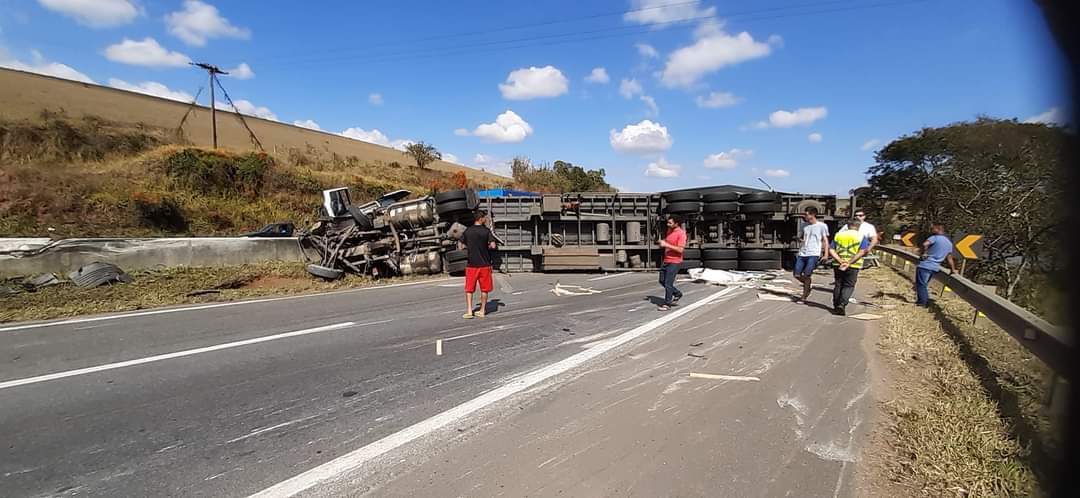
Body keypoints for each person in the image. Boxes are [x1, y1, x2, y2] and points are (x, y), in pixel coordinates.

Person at [828, 219, 871, 316]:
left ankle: (836, 305)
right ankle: (842, 304)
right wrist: (849, 262)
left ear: (847, 226)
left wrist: (840, 261)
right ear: (859, 227)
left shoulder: (838, 235)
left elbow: (831, 249)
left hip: (838, 264)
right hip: (853, 265)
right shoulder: (861, 236)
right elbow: (862, 251)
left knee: (838, 284)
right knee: (849, 285)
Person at [461, 210, 497, 319]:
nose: (486, 219)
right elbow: (493, 246)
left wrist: (470, 246)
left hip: (471, 265)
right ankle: (482, 310)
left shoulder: (468, 231)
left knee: (469, 289)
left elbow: (461, 246)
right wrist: (488, 247)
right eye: (485, 218)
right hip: (484, 264)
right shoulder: (486, 231)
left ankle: (469, 311)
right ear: (480, 219)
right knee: (484, 289)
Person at [915, 222, 958, 307]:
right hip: (935, 267)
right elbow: (949, 258)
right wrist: (953, 269)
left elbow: (925, 244)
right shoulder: (949, 243)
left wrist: (924, 253)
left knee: (921, 284)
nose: (931, 230)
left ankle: (923, 303)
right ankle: (924, 301)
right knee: (924, 284)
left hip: (925, 264)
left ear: (939, 229)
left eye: (933, 228)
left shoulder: (934, 238)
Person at [794, 207, 830, 302]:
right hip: (803, 252)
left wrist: (826, 254)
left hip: (814, 253)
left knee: (807, 274)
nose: (804, 216)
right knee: (796, 274)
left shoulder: (822, 226)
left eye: (806, 214)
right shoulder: (804, 225)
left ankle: (804, 295)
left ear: (812, 215)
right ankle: (807, 285)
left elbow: (825, 240)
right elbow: (803, 237)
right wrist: (799, 239)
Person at [656, 215, 686, 311]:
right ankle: (677, 293)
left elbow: (680, 249)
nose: (667, 224)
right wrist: (663, 242)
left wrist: (666, 244)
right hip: (666, 260)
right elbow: (668, 242)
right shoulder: (670, 231)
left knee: (668, 283)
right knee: (662, 280)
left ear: (676, 224)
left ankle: (667, 304)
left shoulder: (681, 234)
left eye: (670, 223)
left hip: (675, 261)